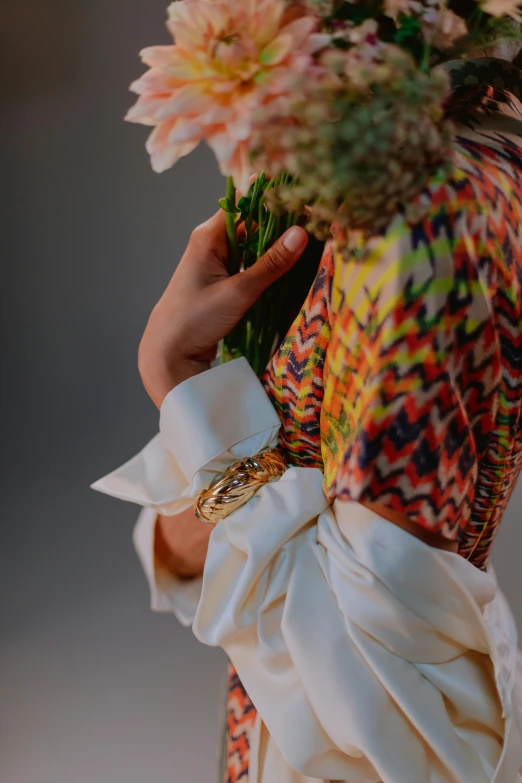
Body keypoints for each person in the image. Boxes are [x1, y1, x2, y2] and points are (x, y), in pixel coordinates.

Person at [93, 49, 522, 783]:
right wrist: (203, 422)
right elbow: (189, 545)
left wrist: (176, 384)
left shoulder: (421, 216)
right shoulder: (353, 150)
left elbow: (382, 702)